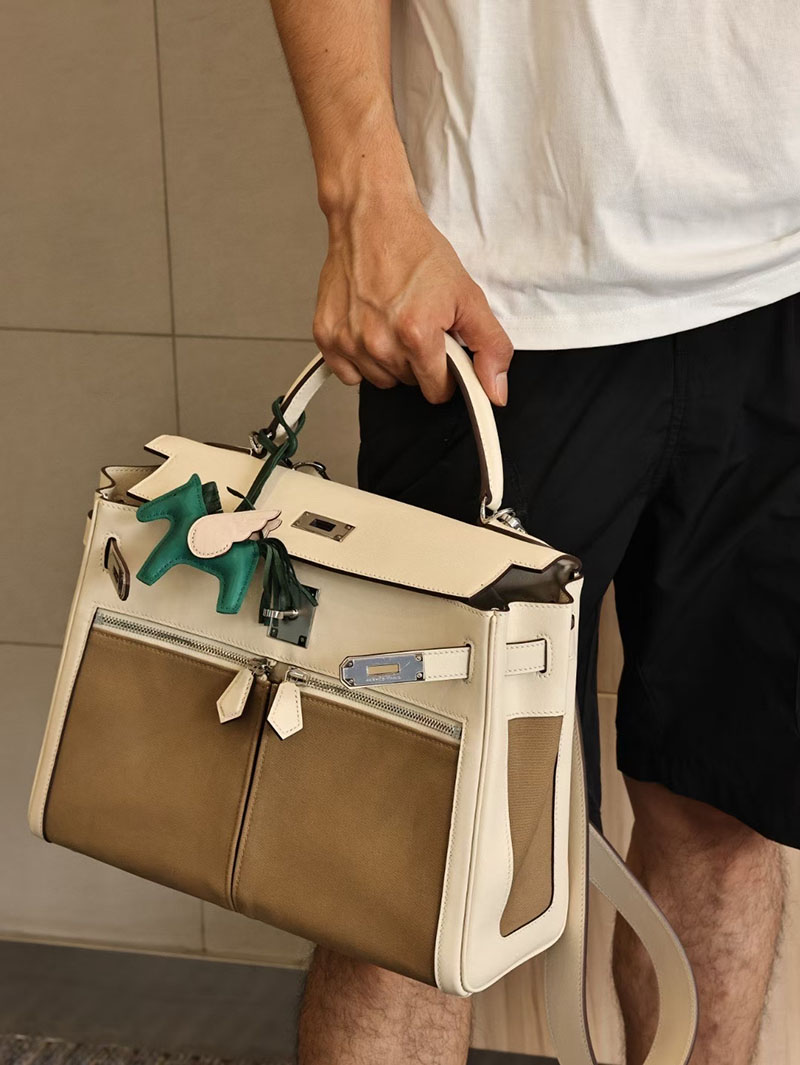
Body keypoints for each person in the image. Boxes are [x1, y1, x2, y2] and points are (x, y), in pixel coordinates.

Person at [268, 3, 800, 1063]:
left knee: (721, 812)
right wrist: (363, 201)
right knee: (416, 857)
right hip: (493, 309)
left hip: (779, 279)